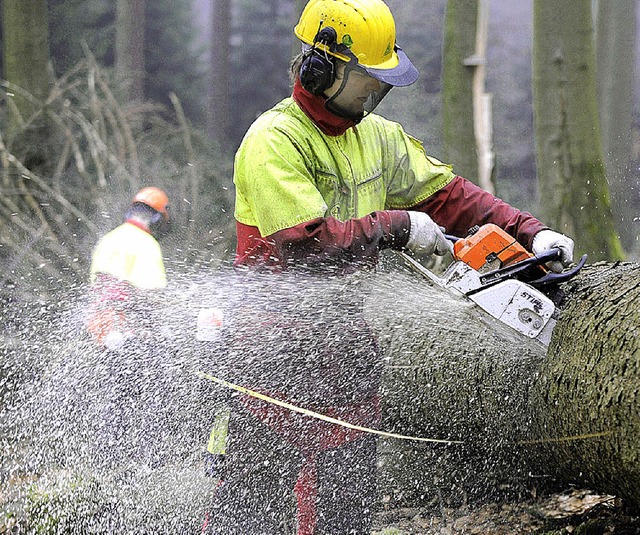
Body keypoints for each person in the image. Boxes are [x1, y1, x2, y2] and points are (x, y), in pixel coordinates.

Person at [205, 0, 575, 533]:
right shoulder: (274, 141)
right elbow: (307, 247)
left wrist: (529, 230)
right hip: (273, 353)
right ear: (321, 67)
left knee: (345, 509)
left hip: (349, 344)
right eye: (367, 81)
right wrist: (397, 227)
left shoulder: (377, 137)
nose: (376, 94)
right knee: (254, 509)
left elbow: (450, 196)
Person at [87, 186, 170, 349]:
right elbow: (153, 293)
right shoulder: (148, 244)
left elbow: (96, 284)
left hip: (98, 327)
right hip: (126, 329)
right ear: (156, 219)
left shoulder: (108, 238)